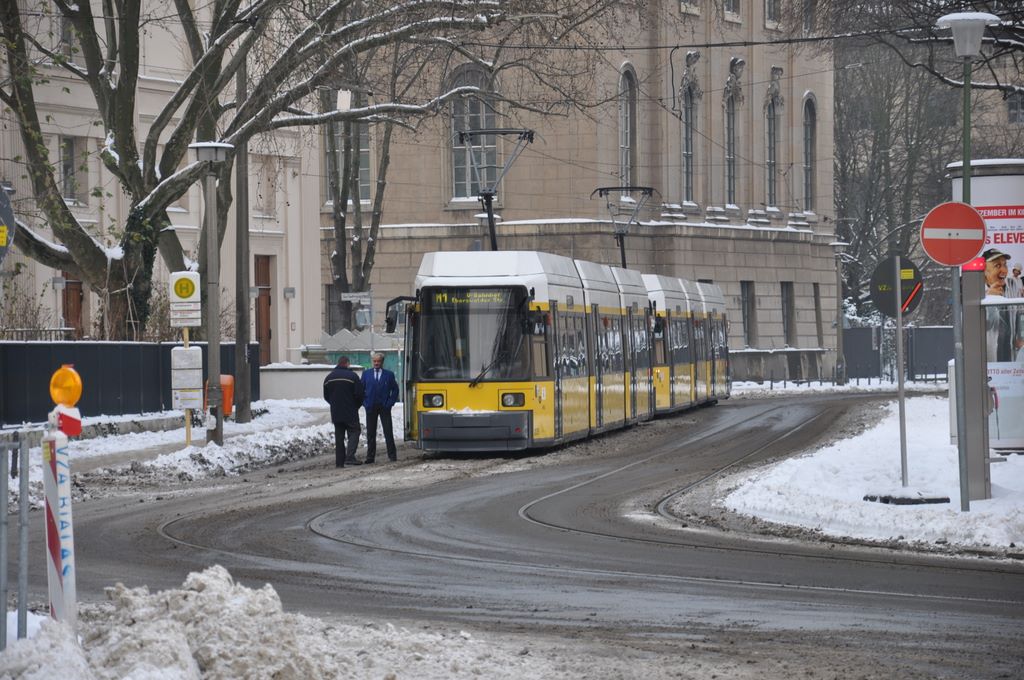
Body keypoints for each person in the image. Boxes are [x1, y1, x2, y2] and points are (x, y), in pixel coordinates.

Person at [982, 248, 1024, 362]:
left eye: (1005, 265)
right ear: (984, 270)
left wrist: (1021, 336)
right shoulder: (977, 289)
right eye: (997, 266)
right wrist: (989, 298)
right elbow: (981, 325)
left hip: (1011, 352)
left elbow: (1020, 312)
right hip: (988, 357)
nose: (1004, 270)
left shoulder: (1012, 284)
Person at [323, 356, 364, 467]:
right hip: (350, 411)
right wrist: (356, 406)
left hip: (336, 412)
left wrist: (334, 404)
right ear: (347, 363)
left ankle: (339, 462)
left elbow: (326, 396)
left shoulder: (329, 378)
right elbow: (360, 394)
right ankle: (350, 457)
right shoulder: (353, 376)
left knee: (339, 437)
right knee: (354, 431)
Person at [360, 352, 400, 463]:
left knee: (388, 432)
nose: (376, 363)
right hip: (370, 407)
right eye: (374, 361)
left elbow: (395, 390)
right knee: (371, 433)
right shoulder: (366, 374)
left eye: (378, 361)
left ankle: (392, 455)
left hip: (384, 407)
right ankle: (370, 457)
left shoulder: (389, 375)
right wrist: (365, 403)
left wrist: (390, 403)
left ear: (382, 362)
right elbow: (360, 390)